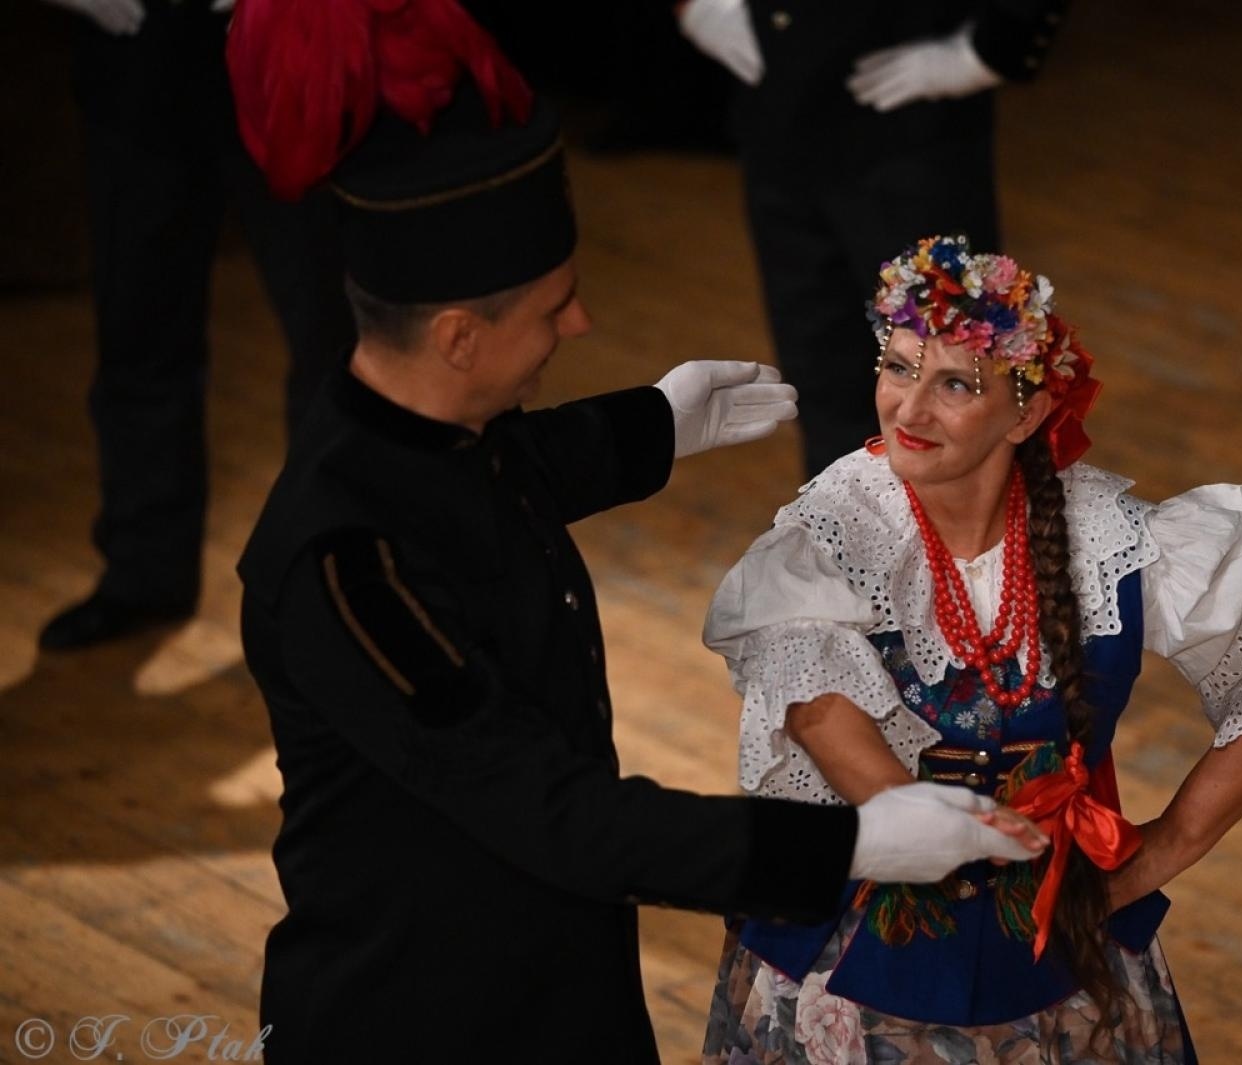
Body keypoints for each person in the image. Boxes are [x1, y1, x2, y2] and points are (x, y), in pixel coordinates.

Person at [226, 5, 1045, 1061]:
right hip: (426, 1007)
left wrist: (653, 423)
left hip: (556, 970)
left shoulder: (426, 441)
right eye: (553, 308)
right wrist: (848, 843)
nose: (580, 327)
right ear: (458, 337)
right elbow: (552, 812)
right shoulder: (344, 566)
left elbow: (499, 476)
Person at [700, 235, 1242, 1062]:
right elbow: (822, 713)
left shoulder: (1106, 538)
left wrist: (1153, 857)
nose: (910, 409)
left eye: (956, 383)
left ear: (1027, 412)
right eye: (898, 368)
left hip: (1063, 950)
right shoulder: (837, 531)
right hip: (854, 954)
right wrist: (917, 821)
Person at [35, 0, 355, 650]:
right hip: (135, 45)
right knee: (137, 322)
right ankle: (144, 571)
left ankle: (337, 581)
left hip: (280, 32)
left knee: (330, 332)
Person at [678, 0, 1068, 479]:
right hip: (778, 111)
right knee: (820, 377)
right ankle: (846, 543)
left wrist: (997, 46)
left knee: (955, 383)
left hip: (909, 126)